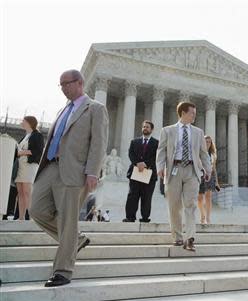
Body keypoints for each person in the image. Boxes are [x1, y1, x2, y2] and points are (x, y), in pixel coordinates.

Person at [29, 69, 108, 287]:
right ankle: (77, 240)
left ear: (80, 83)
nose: (63, 87)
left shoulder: (96, 108)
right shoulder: (63, 110)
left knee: (68, 219)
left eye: (67, 83)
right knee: (36, 210)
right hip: (51, 167)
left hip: (74, 170)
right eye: (61, 84)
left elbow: (99, 142)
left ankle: (63, 271)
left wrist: (93, 171)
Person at [156, 101, 211, 252]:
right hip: (174, 169)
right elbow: (161, 151)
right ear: (183, 113)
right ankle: (178, 237)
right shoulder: (167, 131)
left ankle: (190, 238)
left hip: (192, 171)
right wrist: (160, 167)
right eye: (192, 113)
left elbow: (203, 153)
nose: (194, 115)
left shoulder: (198, 132)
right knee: (174, 206)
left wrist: (208, 169)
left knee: (191, 205)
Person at [123, 121, 158, 223]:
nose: (145, 128)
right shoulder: (134, 141)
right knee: (132, 195)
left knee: (146, 197)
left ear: (151, 129)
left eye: (147, 127)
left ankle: (145, 217)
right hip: (136, 171)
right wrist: (138, 163)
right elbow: (131, 154)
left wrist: (145, 164)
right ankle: (130, 217)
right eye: (143, 127)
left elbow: (156, 157)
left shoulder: (156, 143)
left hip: (149, 173)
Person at [15, 116, 44, 220]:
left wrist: (22, 152)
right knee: (20, 192)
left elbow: (39, 151)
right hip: (21, 165)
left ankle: (32, 217)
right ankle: (21, 217)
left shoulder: (38, 135)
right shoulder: (25, 136)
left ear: (29, 122)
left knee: (27, 191)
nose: (21, 122)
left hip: (30, 166)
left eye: (23, 121)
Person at [197, 136, 220, 224]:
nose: (207, 143)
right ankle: (202, 215)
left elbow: (214, 169)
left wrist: (217, 182)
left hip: (210, 177)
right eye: (206, 141)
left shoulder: (213, 155)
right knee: (199, 198)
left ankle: (208, 218)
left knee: (208, 197)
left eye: (209, 142)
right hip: (200, 176)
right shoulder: (198, 152)